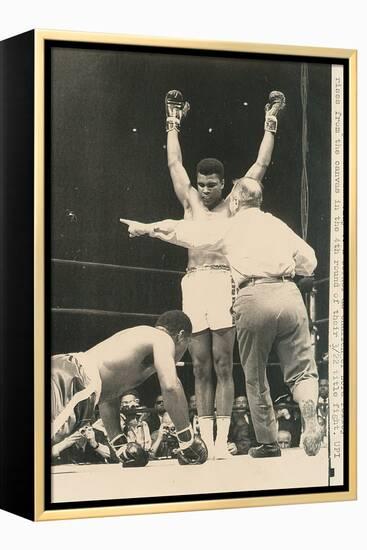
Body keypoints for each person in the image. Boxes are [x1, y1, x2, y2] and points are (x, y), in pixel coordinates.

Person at [120, 178, 322, 457]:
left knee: (255, 375)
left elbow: (184, 232)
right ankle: (309, 408)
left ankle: (268, 443)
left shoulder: (229, 226)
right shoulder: (277, 224)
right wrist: (284, 267)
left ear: (236, 201)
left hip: (253, 294)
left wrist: (148, 229)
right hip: (289, 292)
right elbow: (310, 261)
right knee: (302, 370)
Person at [146, 89, 285, 460]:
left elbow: (260, 165)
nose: (205, 190)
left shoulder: (235, 203)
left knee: (224, 364)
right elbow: (174, 164)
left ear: (223, 184)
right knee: (199, 365)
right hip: (194, 284)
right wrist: (172, 121)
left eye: (211, 185)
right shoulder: (190, 200)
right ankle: (204, 436)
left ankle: (222, 439)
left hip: (223, 280)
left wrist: (270, 120)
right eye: (201, 183)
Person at [51, 310, 207, 466]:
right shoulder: (163, 339)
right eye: (187, 345)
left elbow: (108, 395)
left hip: (68, 371)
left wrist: (120, 445)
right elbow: (171, 387)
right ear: (180, 336)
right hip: (75, 379)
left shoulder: (140, 342)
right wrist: (187, 441)